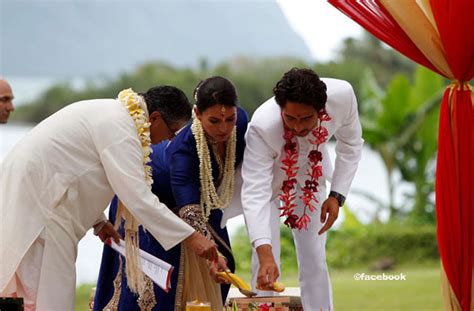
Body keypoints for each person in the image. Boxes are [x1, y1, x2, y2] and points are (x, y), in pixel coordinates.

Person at [0, 86, 219, 311]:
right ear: (154, 118)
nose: (168, 140)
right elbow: (137, 196)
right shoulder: (120, 126)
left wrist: (99, 221)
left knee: (31, 293)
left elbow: (75, 168)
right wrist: (193, 238)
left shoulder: (111, 114)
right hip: (44, 208)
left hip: (40, 198)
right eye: (172, 132)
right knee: (50, 296)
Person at [94, 76, 248, 311]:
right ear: (197, 115)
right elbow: (191, 213)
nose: (224, 128)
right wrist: (212, 253)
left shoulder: (242, 123)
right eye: (214, 121)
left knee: (221, 273)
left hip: (204, 203)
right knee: (152, 288)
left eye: (230, 119)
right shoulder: (182, 151)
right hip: (148, 203)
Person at [241, 68, 363, 310]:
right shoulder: (262, 126)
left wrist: (336, 196)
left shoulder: (343, 96)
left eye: (306, 119)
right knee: (265, 260)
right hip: (269, 185)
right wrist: (265, 253)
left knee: (315, 259)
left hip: (310, 177)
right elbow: (255, 192)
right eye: (290, 118)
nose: (297, 128)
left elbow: (351, 145)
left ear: (321, 109)